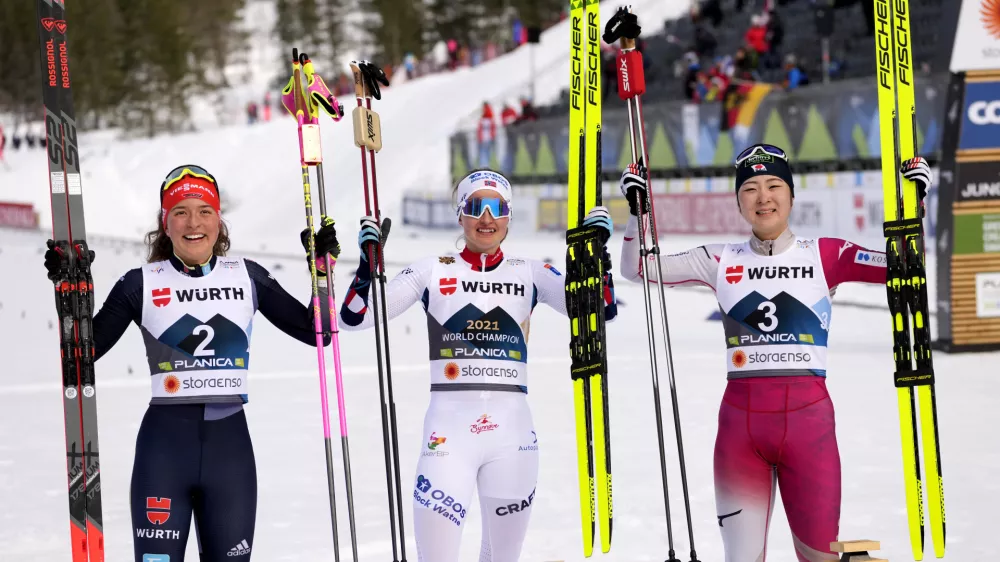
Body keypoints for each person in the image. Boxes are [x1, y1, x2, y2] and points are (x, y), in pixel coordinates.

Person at [617, 144, 932, 562]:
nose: (763, 197)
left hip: (810, 432)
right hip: (740, 436)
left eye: (773, 185)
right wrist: (638, 213)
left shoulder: (827, 254)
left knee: (820, 557)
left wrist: (916, 204)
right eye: (750, 188)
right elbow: (637, 268)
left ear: (791, 195)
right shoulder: (718, 258)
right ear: (738, 201)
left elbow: (906, 263)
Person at [42, 165, 341, 561]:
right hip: (163, 453)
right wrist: (70, 292)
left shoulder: (247, 277)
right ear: (165, 224)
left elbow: (317, 333)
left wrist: (321, 272)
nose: (193, 222)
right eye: (180, 211)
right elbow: (80, 361)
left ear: (219, 221)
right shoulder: (140, 283)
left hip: (229, 455)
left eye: (205, 210)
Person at [339, 169, 618, 562]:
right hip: (447, 437)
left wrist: (596, 261)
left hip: (513, 438)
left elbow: (600, 312)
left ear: (508, 217)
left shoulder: (532, 272)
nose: (486, 218)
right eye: (475, 207)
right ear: (460, 215)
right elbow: (354, 318)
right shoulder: (431, 269)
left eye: (497, 208)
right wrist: (367, 271)